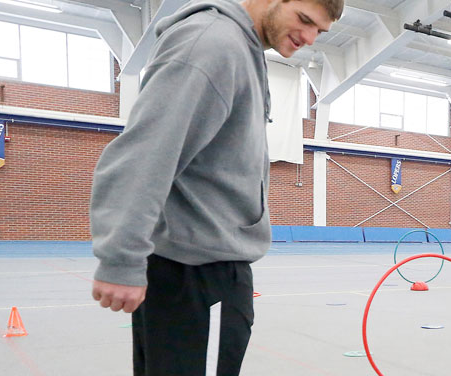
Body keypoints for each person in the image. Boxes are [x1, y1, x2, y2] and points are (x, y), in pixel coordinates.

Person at [88, 0, 341, 374]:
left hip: (209, 265)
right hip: (193, 273)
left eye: (319, 31)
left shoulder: (243, 49)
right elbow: (148, 151)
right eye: (304, 20)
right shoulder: (213, 45)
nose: (308, 37)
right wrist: (121, 258)